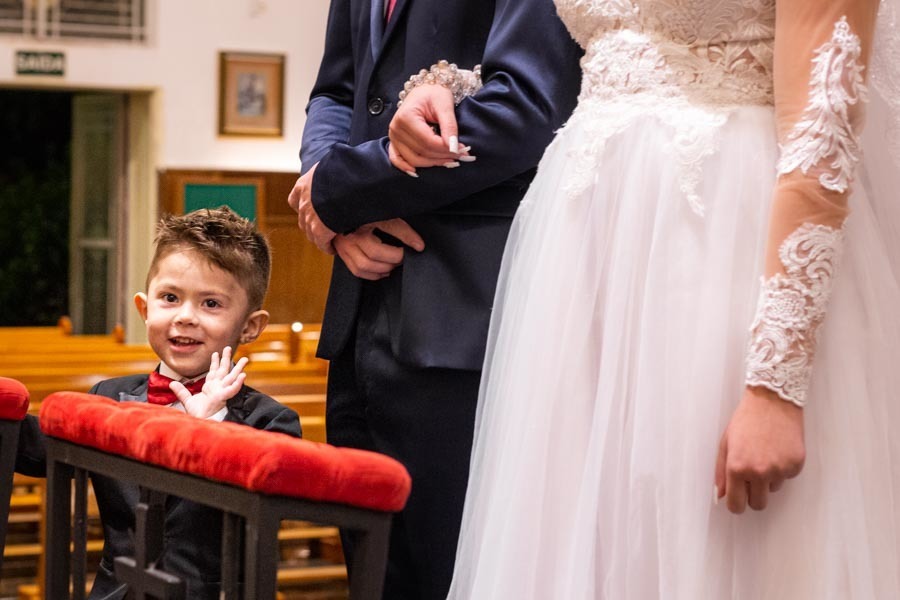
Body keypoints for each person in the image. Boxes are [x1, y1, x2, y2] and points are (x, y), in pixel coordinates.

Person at [389, 1, 900, 598]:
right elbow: (616, 49)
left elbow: (823, 137)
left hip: (721, 246)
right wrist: (448, 90)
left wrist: (775, 386)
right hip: (583, 255)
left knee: (714, 542)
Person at [287, 1, 582, 597]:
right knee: (372, 573)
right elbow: (336, 92)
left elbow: (523, 107)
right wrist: (328, 193)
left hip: (461, 306)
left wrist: (343, 190)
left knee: (451, 572)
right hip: (357, 309)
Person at [16, 207, 302, 599]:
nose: (185, 317)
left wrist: (205, 430)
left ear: (250, 326)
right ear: (144, 307)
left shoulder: (272, 421)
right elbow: (39, 449)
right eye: (170, 297)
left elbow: (275, 509)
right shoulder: (110, 398)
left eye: (211, 304)